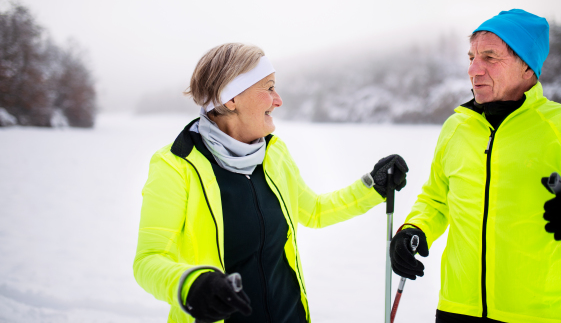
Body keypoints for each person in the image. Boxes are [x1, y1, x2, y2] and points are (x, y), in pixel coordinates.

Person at [133, 43, 409, 323]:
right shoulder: (176, 165)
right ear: (231, 99)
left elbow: (313, 211)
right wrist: (190, 284)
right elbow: (149, 259)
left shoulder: (274, 154)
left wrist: (372, 186)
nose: (278, 100)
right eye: (268, 88)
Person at [389, 9, 561, 323]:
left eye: (489, 57)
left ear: (527, 65)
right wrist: (413, 230)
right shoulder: (456, 128)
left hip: (539, 315)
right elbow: (436, 198)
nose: (474, 69)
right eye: (471, 56)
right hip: (457, 309)